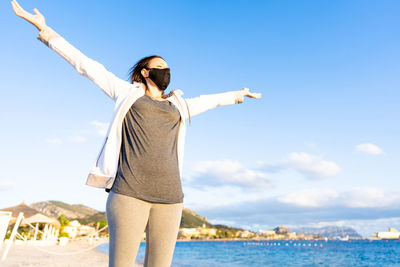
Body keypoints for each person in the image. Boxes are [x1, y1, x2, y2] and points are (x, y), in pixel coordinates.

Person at [11, 1, 262, 266]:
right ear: (146, 72)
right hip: (128, 195)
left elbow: (208, 100)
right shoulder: (127, 95)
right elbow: (87, 66)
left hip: (171, 199)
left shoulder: (178, 105)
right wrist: (46, 31)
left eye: (168, 68)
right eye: (160, 66)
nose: (166, 71)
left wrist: (237, 95)